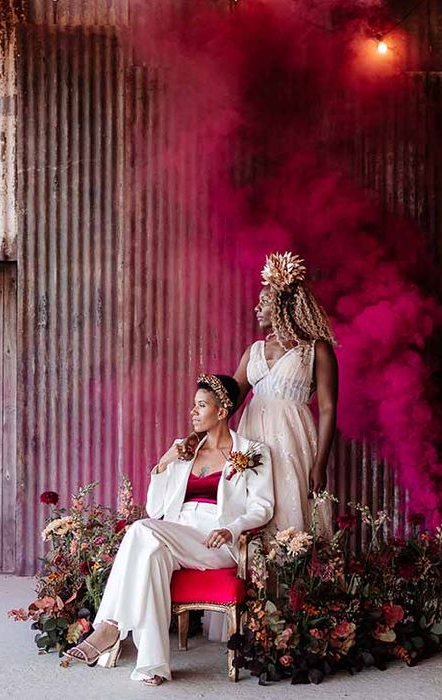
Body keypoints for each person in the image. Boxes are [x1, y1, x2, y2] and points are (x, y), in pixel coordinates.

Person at [63, 373, 274, 686]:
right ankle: (154, 666)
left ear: (222, 411)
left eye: (201, 405)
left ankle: (109, 626)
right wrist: (163, 463)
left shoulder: (252, 452)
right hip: (173, 533)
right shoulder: (183, 449)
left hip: (216, 540)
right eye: (193, 405)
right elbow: (154, 509)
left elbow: (262, 507)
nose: (193, 411)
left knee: (140, 531)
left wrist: (232, 528)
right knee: (151, 559)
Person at [232, 251, 338, 538]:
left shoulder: (316, 350)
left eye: (264, 302)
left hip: (292, 440)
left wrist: (320, 463)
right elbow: (230, 401)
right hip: (253, 439)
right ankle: (255, 577)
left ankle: (294, 579)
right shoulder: (252, 352)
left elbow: (328, 409)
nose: (257, 308)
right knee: (256, 506)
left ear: (283, 306)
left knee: (291, 508)